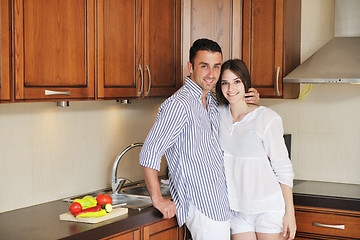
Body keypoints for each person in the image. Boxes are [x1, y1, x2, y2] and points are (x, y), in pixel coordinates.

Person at [139, 39, 259, 240]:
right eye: (204, 66)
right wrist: (158, 199)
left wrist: (251, 101)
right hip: (202, 203)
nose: (211, 74)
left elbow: (237, 123)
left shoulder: (212, 100)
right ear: (190, 67)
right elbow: (149, 153)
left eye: (216, 66)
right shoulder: (178, 105)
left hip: (222, 202)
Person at [215, 59, 296, 240]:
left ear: (246, 83)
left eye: (237, 81)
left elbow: (282, 167)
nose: (231, 88)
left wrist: (290, 213)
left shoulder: (266, 118)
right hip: (237, 210)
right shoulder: (217, 116)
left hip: (269, 208)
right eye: (225, 83)